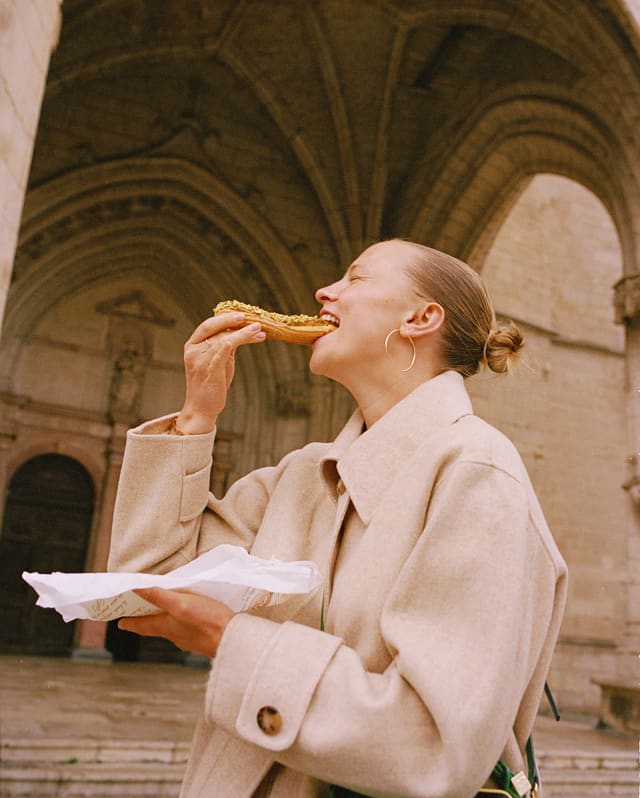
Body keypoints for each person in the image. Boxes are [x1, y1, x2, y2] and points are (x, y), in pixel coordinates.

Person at [109, 239, 567, 798]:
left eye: (355, 278)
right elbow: (143, 585)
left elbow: (434, 747)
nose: (325, 291)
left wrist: (233, 640)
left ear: (421, 318)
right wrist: (195, 416)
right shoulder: (301, 475)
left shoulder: (480, 477)